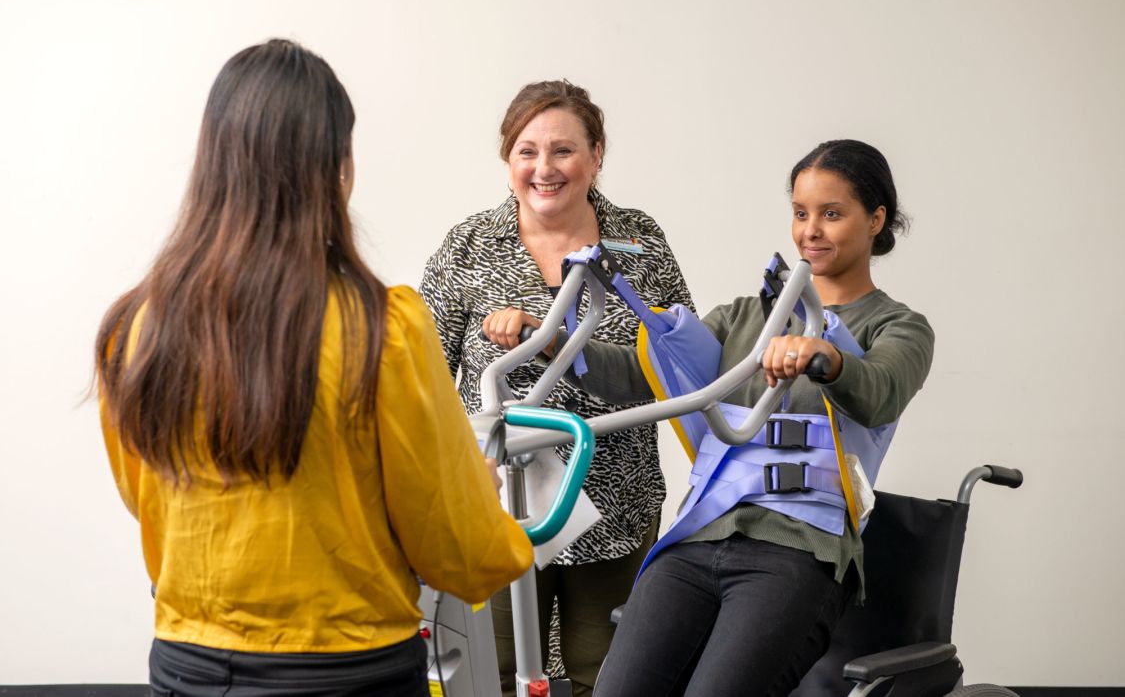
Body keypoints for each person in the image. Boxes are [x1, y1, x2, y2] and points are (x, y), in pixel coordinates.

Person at [94, 39, 533, 697]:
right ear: (335, 166)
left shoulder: (136, 326)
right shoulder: (382, 327)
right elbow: (458, 550)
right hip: (346, 672)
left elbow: (146, 499)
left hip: (186, 664)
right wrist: (487, 503)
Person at [510, 139, 934, 696]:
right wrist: (551, 344)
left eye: (832, 214)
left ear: (876, 219)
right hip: (696, 539)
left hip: (799, 550)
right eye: (801, 213)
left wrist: (824, 356)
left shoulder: (899, 327)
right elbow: (640, 379)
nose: (811, 230)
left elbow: (880, 392)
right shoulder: (743, 317)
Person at [420, 80, 693, 696]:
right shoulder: (468, 246)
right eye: (526, 151)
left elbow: (683, 363)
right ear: (507, 160)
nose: (544, 169)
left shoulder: (638, 243)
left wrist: (555, 342)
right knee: (490, 677)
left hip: (615, 506)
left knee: (614, 677)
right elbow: (422, 379)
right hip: (498, 511)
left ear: (596, 156)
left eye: (563, 150)